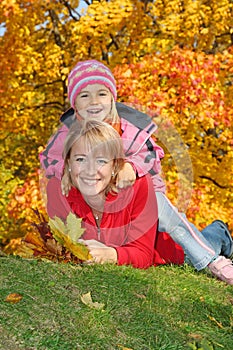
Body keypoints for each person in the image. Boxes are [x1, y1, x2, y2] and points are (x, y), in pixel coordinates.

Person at [40, 59, 233, 283]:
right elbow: (49, 158)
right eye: (84, 95)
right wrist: (63, 172)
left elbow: (152, 153)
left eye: (101, 94)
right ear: (74, 104)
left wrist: (132, 167)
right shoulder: (68, 135)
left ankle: (212, 257)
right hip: (112, 204)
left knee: (174, 234)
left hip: (142, 194)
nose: (94, 102)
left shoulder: (129, 127)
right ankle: (214, 235)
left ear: (112, 97)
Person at [59, 119, 233, 282]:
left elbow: (143, 255)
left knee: (209, 242)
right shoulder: (67, 192)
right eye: (80, 159)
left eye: (101, 160)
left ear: (115, 166)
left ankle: (220, 232)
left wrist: (111, 255)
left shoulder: (139, 186)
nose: (90, 170)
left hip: (172, 251)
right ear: (68, 163)